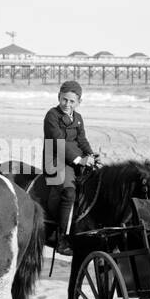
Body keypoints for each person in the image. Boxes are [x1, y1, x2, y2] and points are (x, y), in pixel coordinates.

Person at [43, 80, 100, 253]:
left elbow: (81, 140)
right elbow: (59, 142)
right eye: (64, 100)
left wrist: (91, 155)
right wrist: (80, 161)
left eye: (72, 101)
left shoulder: (79, 118)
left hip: (77, 159)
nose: (67, 104)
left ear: (79, 102)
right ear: (58, 97)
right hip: (56, 160)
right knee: (69, 192)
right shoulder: (52, 116)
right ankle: (63, 239)